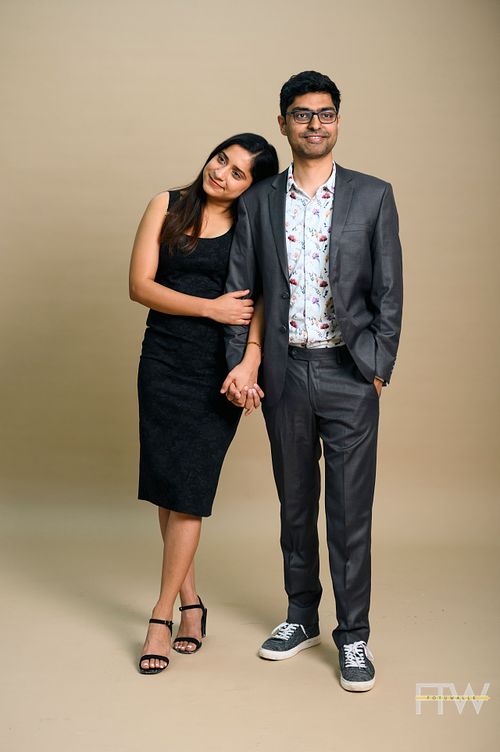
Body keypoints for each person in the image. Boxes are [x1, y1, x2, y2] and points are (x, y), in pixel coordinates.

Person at [223, 71, 403, 691]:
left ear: (338, 121)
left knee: (350, 512)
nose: (315, 124)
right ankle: (301, 616)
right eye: (302, 114)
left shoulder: (372, 195)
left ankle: (354, 638)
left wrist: (377, 366)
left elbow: (388, 290)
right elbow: (242, 288)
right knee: (295, 504)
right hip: (284, 372)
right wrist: (243, 362)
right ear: (283, 124)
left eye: (325, 114)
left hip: (349, 372)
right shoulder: (257, 201)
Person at [129, 133, 278, 674]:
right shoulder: (166, 204)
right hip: (162, 362)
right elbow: (140, 286)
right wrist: (210, 308)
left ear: (251, 188)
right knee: (169, 487)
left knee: (189, 492)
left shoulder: (252, 228)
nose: (222, 173)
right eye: (222, 159)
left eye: (239, 173)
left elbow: (263, 300)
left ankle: (161, 615)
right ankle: (191, 603)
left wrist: (251, 361)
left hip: (218, 372)